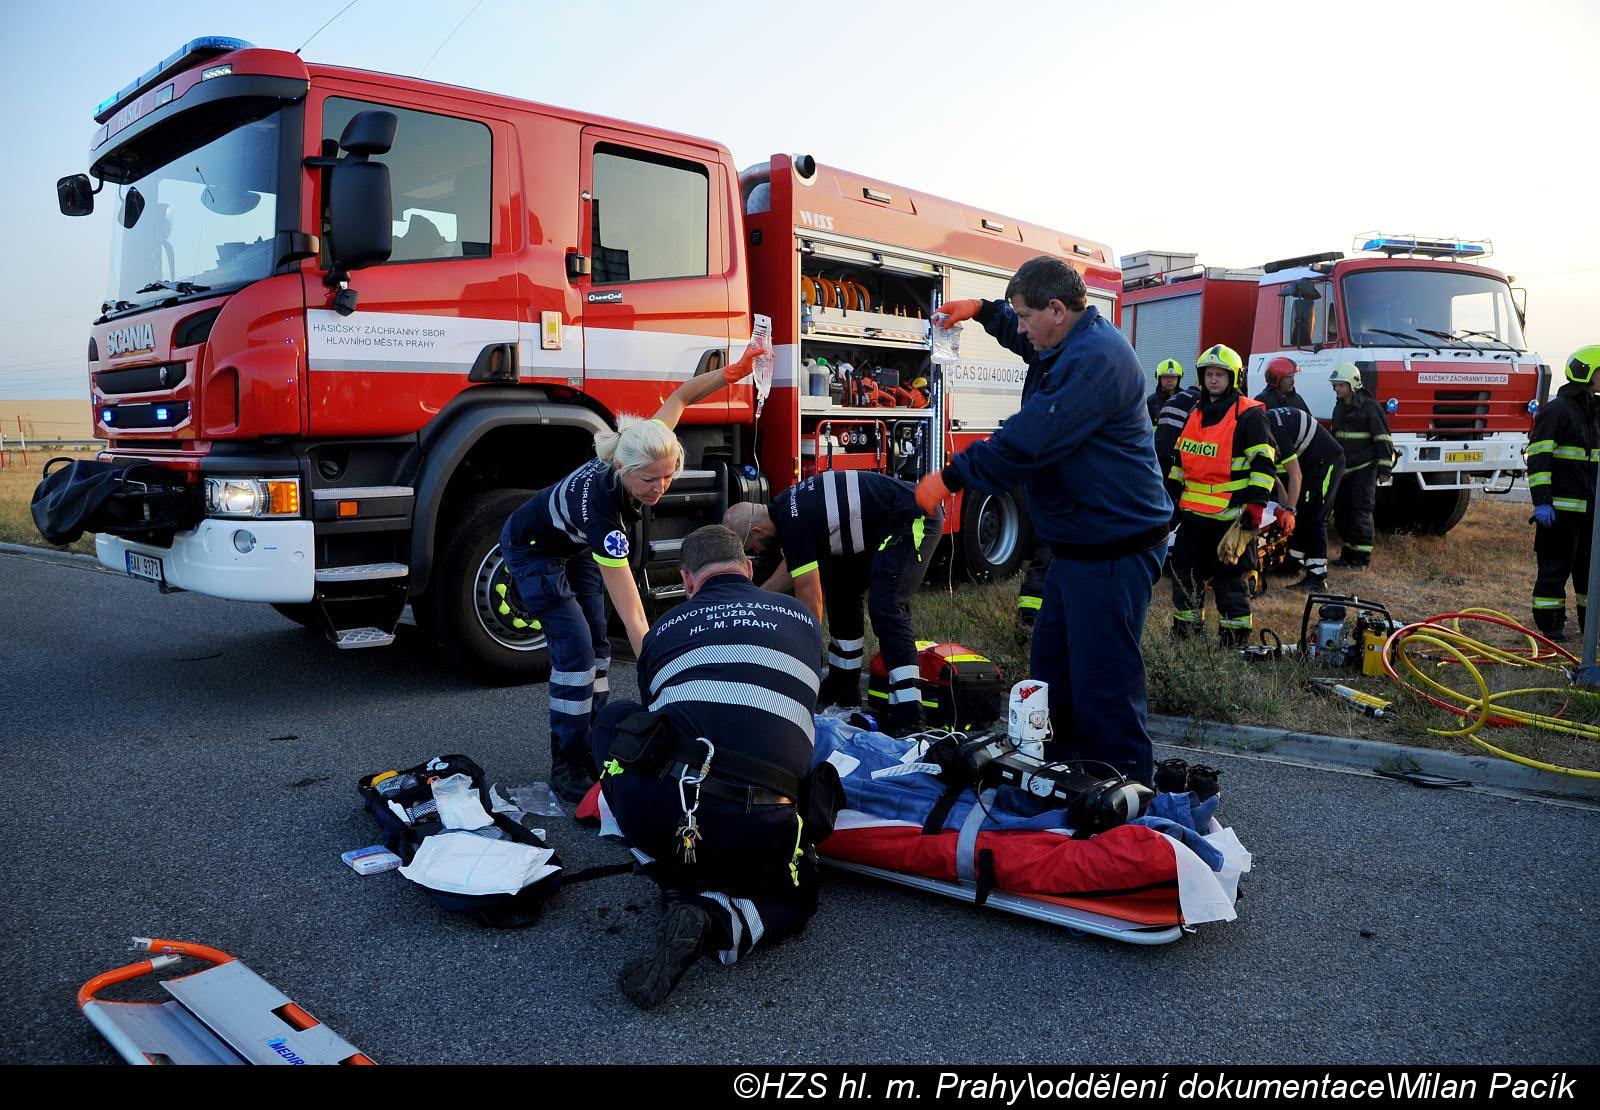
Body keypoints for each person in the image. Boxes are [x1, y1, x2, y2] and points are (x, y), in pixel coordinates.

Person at [916, 256, 1170, 785]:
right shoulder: (1065, 340)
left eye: (1026, 316)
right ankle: (1067, 777)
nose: (1022, 327)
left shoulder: (1094, 360)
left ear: (1057, 309)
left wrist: (953, 476)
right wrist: (981, 310)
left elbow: (1029, 438)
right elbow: (1023, 336)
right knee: (1053, 673)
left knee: (1103, 683)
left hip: (1113, 548)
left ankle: (1124, 793)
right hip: (1078, 547)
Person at [500, 340, 766, 801]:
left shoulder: (645, 442)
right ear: (622, 467)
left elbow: (682, 396)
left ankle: (598, 737)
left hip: (572, 545)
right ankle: (568, 760)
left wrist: (733, 372)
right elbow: (634, 616)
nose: (659, 488)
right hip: (532, 550)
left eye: (668, 476)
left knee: (599, 645)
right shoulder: (603, 514)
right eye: (648, 480)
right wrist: (657, 676)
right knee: (576, 651)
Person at [590, 525, 825, 1008]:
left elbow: (651, 722)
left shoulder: (664, 628)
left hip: (661, 812)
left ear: (687, 580)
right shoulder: (801, 616)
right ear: (749, 569)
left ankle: (667, 869)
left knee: (613, 719)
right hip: (758, 824)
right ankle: (714, 921)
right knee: (796, 899)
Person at [724, 471, 943, 732]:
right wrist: (754, 599)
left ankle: (909, 711)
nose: (757, 552)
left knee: (887, 606)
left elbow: (810, 602)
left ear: (757, 531)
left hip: (915, 515)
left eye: (752, 547)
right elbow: (794, 565)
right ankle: (843, 686)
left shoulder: (793, 522)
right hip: (887, 520)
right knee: (842, 591)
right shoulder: (786, 509)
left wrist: (805, 664)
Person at [1166, 344, 1277, 645]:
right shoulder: (1194, 413)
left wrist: (1256, 506)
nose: (1213, 380)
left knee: (1231, 585)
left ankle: (1234, 642)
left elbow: (1264, 465)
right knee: (1185, 579)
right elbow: (1180, 464)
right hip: (1192, 519)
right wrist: (1170, 501)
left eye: (1220, 374)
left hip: (1230, 519)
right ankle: (1186, 638)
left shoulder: (1250, 416)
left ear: (1234, 378)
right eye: (1209, 374)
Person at [1526, 346, 1600, 641]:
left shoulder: (1595, 411)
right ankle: (1551, 628)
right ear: (1586, 373)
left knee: (1590, 574)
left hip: (1592, 514)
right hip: (1559, 513)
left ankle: (1591, 627)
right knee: (1554, 572)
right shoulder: (1556, 411)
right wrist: (1542, 502)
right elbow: (1539, 459)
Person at [1264, 405, 1345, 590]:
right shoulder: (1263, 427)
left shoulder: (1276, 432)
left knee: (1315, 515)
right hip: (1309, 464)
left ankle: (1317, 577)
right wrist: (1289, 507)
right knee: (1303, 511)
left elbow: (1295, 475)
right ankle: (1294, 563)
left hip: (1327, 461)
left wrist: (1289, 510)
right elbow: (1274, 475)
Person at [1329, 362, 1395, 569]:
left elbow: (1383, 439)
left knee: (1360, 512)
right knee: (1342, 512)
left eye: (1341, 385)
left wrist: (1384, 468)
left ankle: (1361, 559)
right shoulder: (1340, 407)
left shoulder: (1370, 407)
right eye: (1335, 385)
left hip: (1364, 468)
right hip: (1344, 469)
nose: (1337, 389)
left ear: (1353, 384)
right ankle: (1349, 554)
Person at [1147, 358, 1184, 425]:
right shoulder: (1150, 402)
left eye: (1173, 377)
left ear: (1178, 378)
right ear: (1159, 378)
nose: (1169, 380)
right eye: (1165, 376)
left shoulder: (1186, 400)